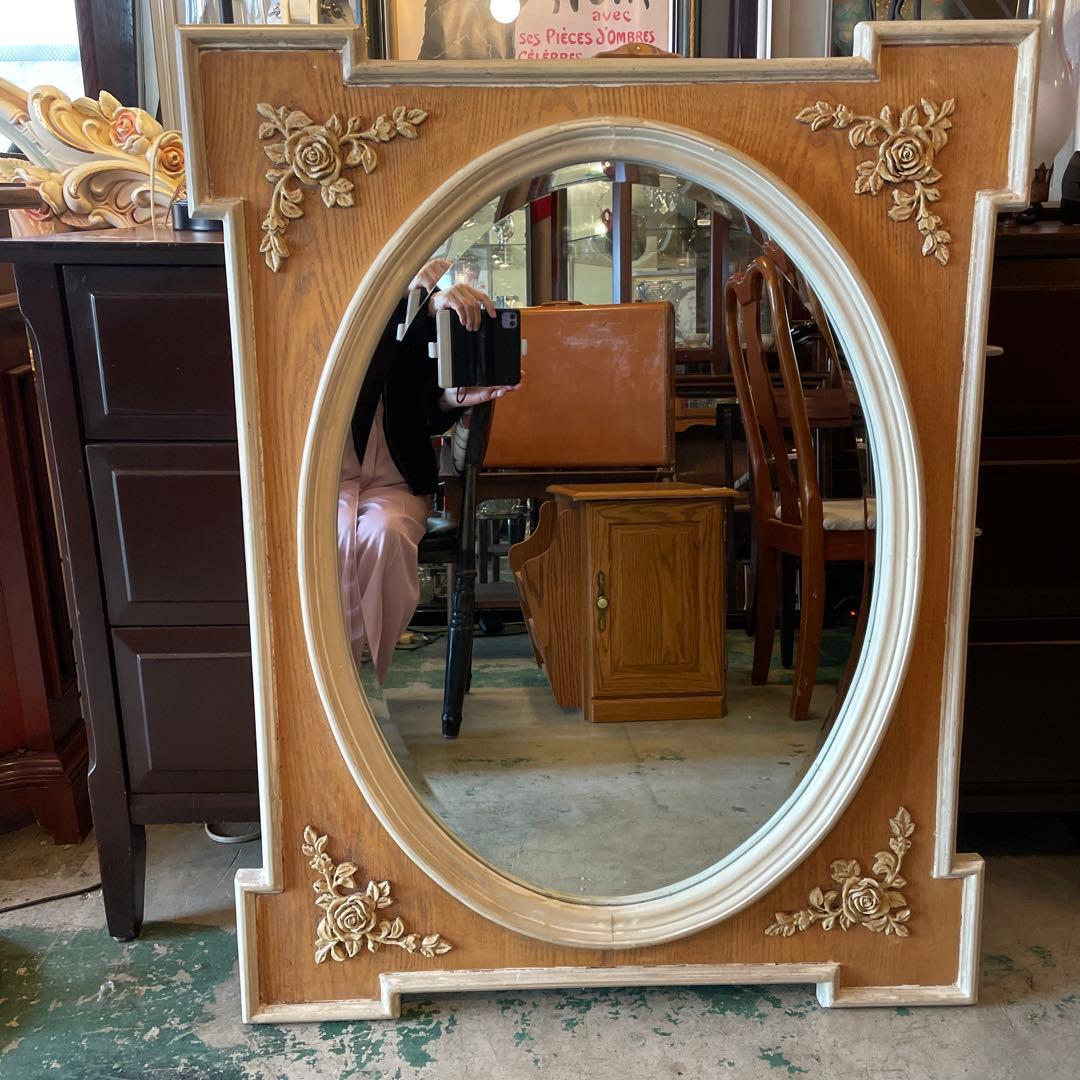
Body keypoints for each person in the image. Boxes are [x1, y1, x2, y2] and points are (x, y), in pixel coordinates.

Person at [338, 259, 520, 680]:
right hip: (326, 476)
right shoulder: (343, 305)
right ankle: (338, 674)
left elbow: (427, 411)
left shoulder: (423, 307)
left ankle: (364, 672)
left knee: (387, 533)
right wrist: (420, 302)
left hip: (397, 479)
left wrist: (453, 399)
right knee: (337, 536)